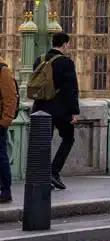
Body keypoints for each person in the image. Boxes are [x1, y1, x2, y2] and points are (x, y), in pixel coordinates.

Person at [29, 31, 80, 190]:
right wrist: (73, 111)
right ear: (64, 44)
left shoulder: (40, 59)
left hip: (40, 108)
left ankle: (42, 176)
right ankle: (54, 171)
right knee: (68, 138)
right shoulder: (66, 62)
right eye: (68, 44)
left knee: (44, 141)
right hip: (59, 109)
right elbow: (71, 89)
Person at [0, 55, 17, 203]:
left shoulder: (3, 71)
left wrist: (4, 122)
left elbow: (11, 99)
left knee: (1, 156)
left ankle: (6, 190)